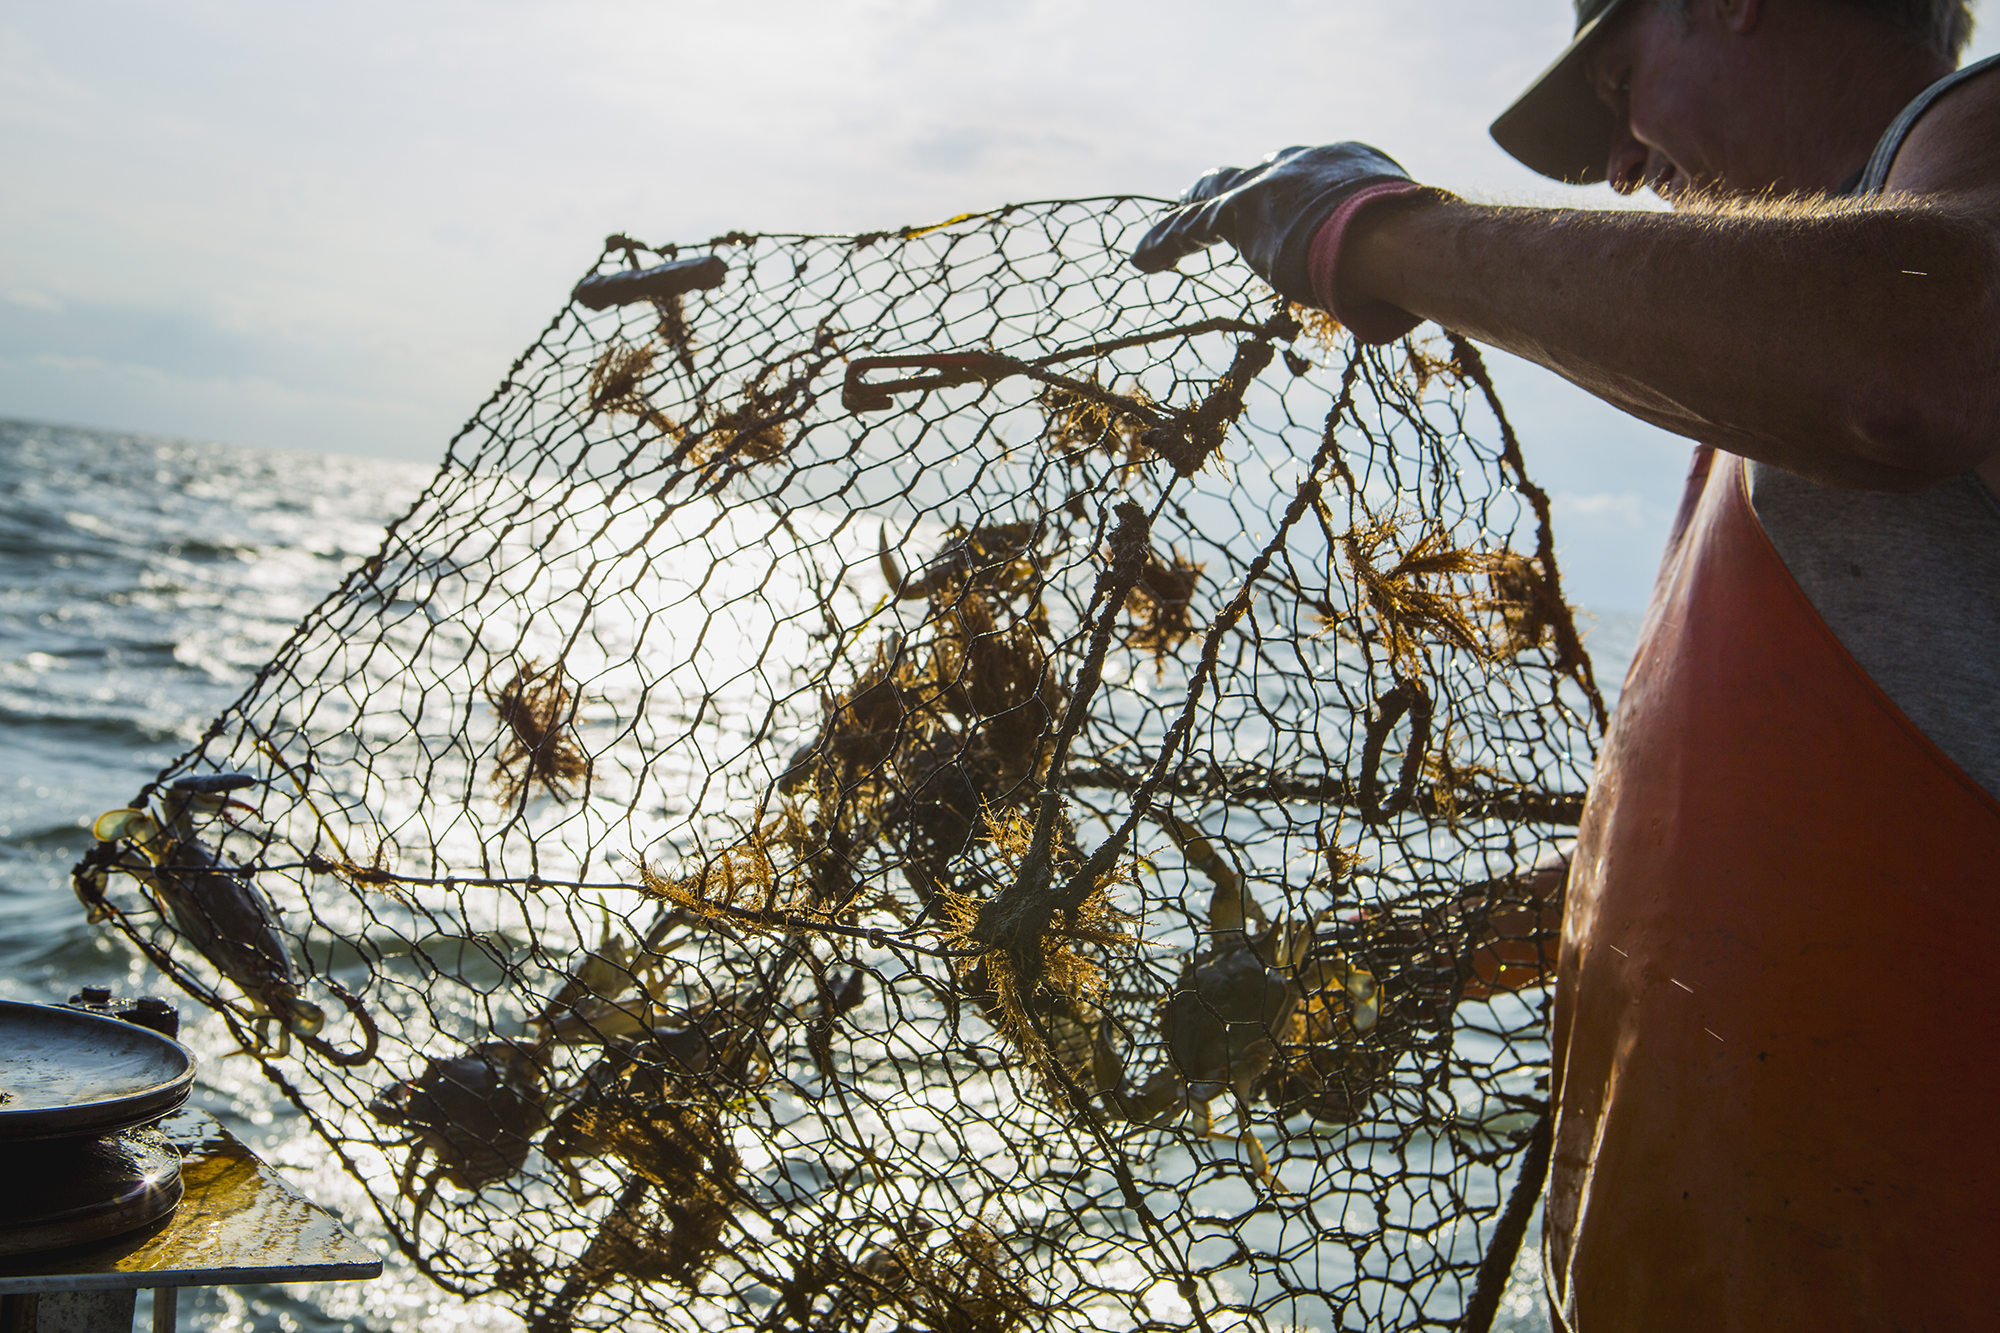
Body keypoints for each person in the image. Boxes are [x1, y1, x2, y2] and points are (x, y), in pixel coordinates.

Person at [1130, 1, 2000, 1327]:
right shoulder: (1764, 405)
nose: (1620, 167)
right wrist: (1422, 951)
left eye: (1615, 85)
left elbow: (1919, 355)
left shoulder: (1963, 180)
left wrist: (1378, 235)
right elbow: (1760, 840)